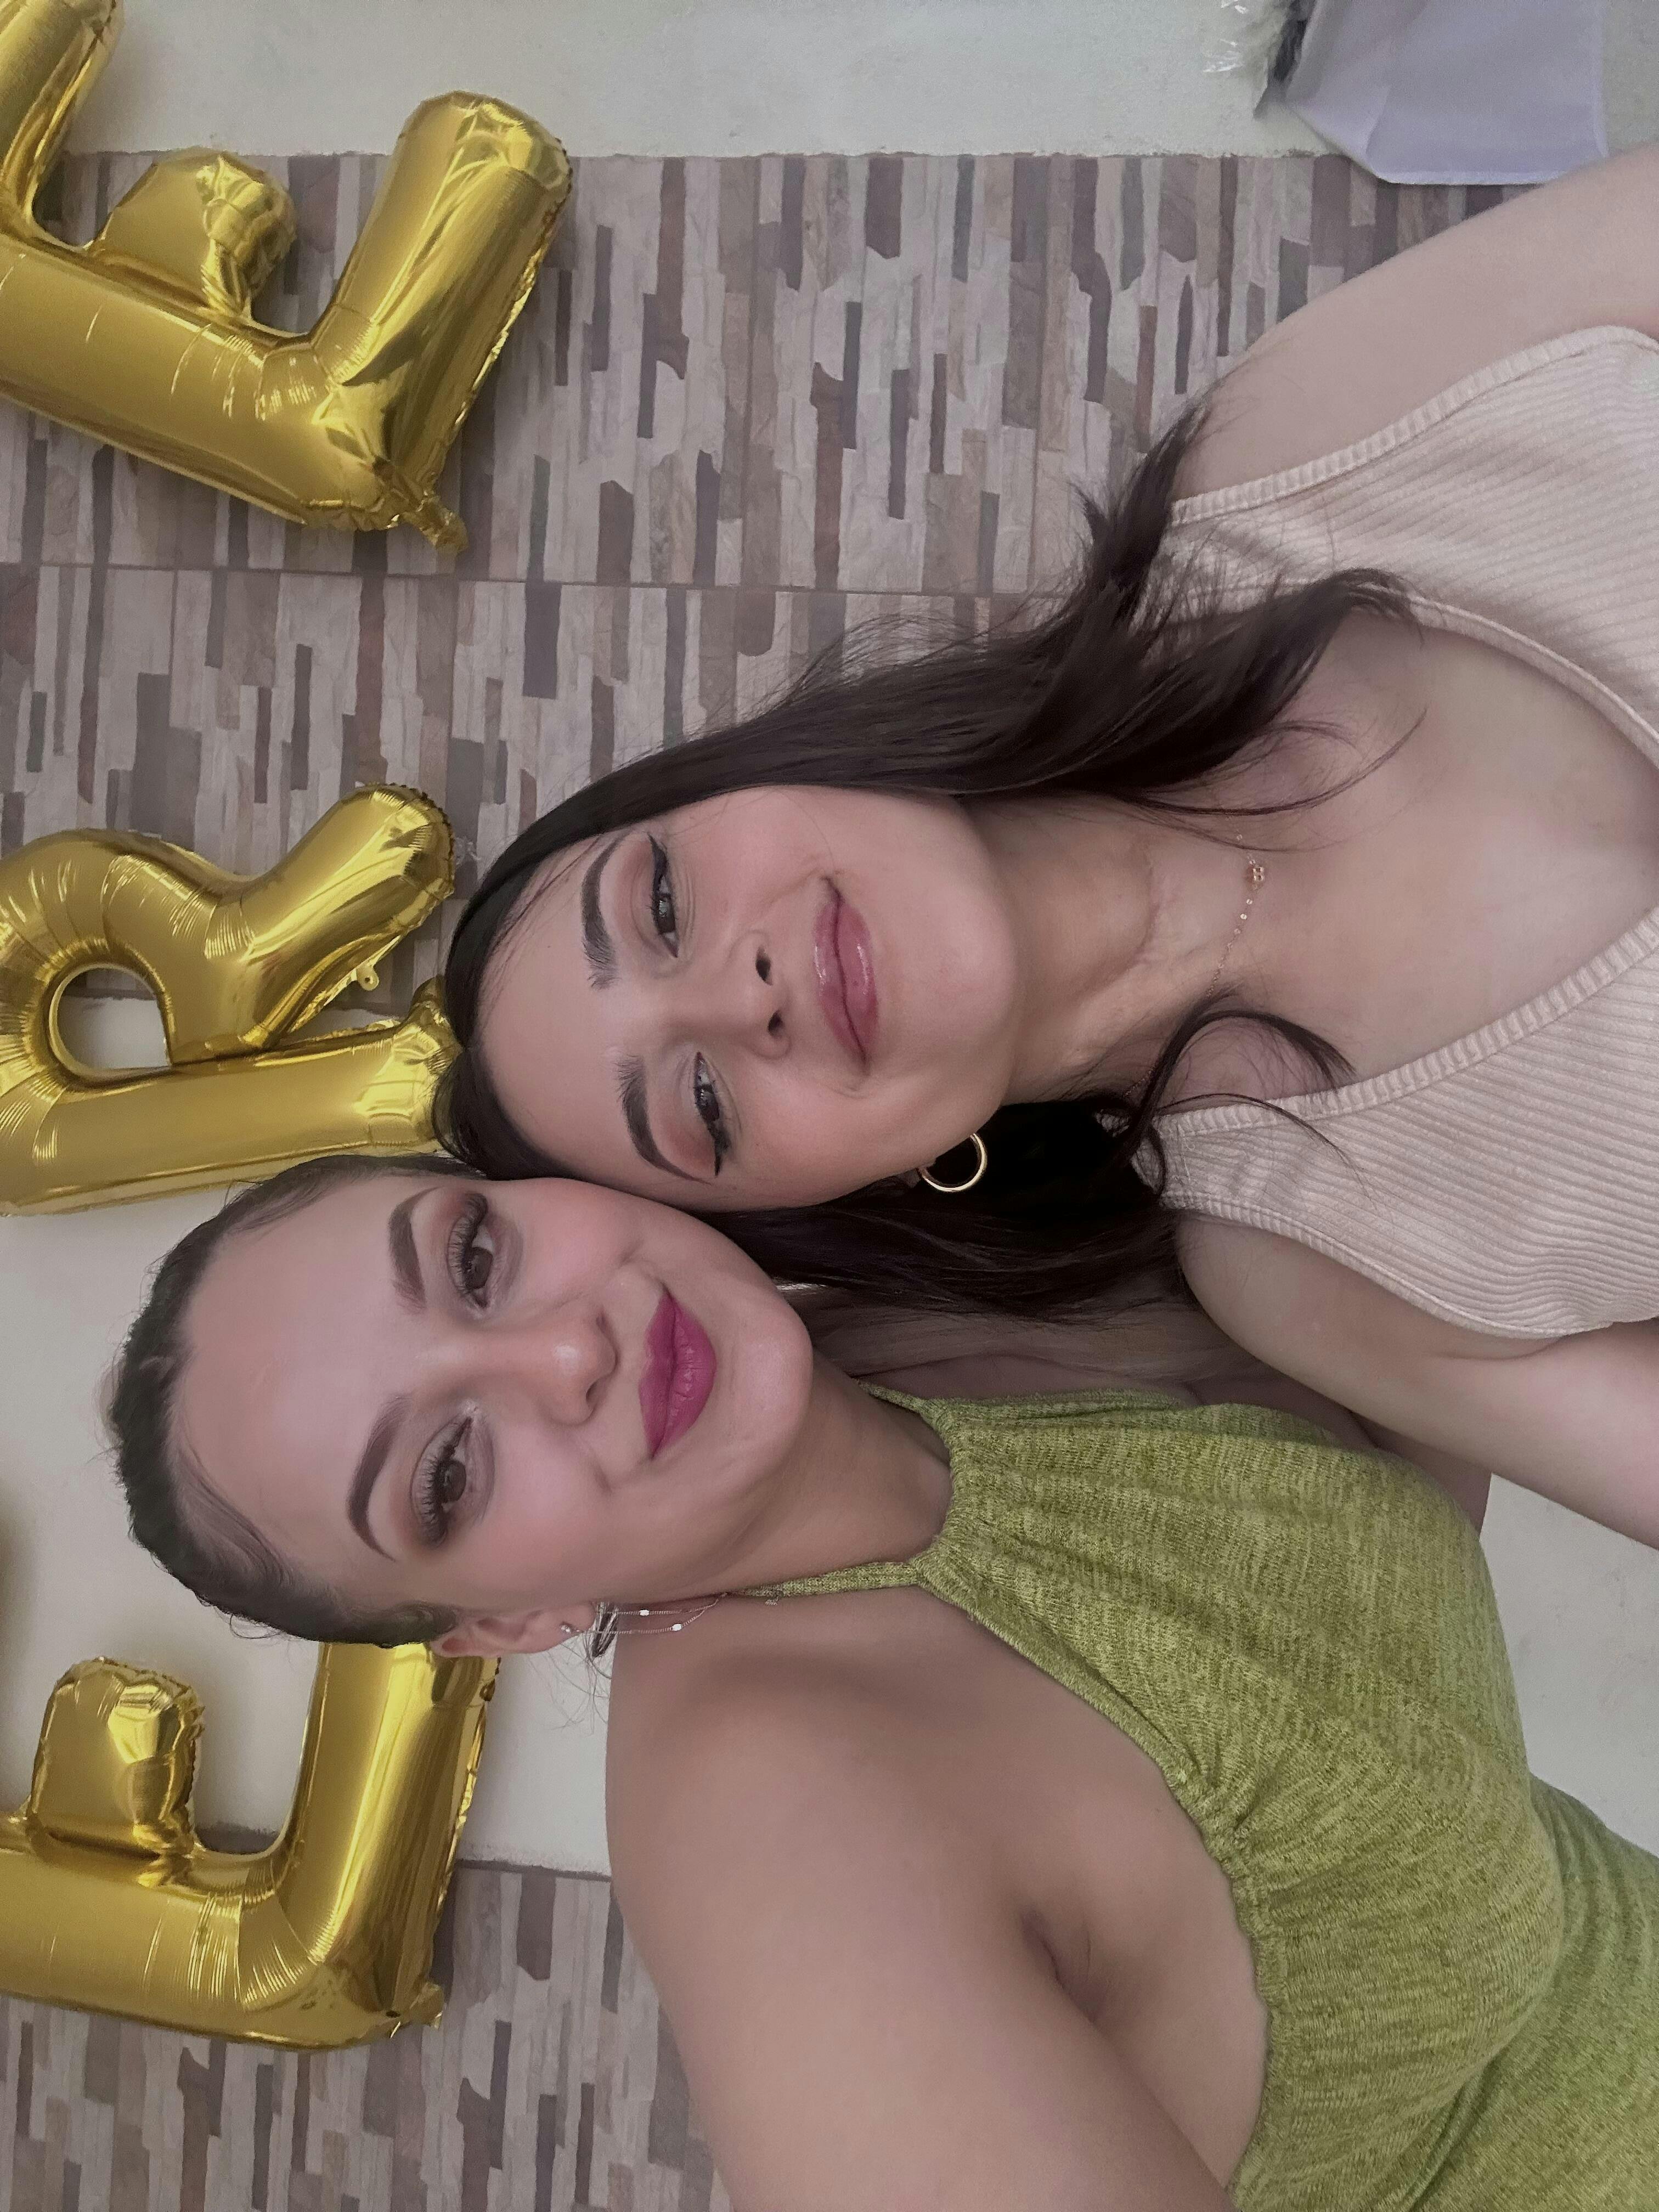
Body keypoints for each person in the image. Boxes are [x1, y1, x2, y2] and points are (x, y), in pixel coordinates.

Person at [435, 147, 1659, 1553]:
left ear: (748, 773)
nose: (739, 994)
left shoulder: (1297, 448)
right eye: (701, 1104)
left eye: (660, 904)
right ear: (852, 1194)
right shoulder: (1319, 1274)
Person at [106, 1156, 1657, 2209]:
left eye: (475, 1258)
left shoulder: (909, 1272)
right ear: (506, 1623)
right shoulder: (777, 1829)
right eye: (447, 1472)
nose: (563, 1356)